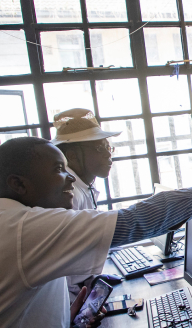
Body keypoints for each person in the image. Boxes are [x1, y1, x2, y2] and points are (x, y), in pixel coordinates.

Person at [0, 137, 192, 328]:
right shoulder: (23, 228)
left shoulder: (7, 225)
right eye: (59, 170)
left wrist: (63, 318)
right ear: (19, 184)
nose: (70, 178)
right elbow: (135, 221)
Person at [50, 108, 121, 301]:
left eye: (108, 147)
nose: (108, 154)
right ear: (72, 156)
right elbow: (67, 272)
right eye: (100, 148)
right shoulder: (68, 194)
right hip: (70, 301)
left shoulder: (84, 185)